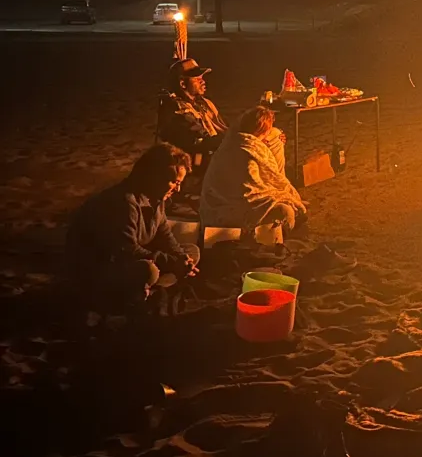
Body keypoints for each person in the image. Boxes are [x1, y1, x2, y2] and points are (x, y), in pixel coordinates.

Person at [66, 143, 200, 311]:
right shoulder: (125, 201)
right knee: (149, 270)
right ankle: (143, 289)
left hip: (134, 256)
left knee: (191, 252)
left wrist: (181, 258)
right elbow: (126, 249)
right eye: (174, 182)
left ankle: (148, 287)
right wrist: (170, 262)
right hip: (99, 266)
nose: (178, 189)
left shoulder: (156, 198)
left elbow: (164, 235)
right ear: (155, 176)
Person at [200, 106, 305, 242]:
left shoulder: (232, 141)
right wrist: (285, 198)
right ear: (264, 130)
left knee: (277, 137)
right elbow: (252, 193)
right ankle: (259, 239)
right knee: (286, 213)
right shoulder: (249, 150)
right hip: (228, 211)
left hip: (220, 206)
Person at [157, 58, 229, 164]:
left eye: (202, 77)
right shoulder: (175, 110)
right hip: (194, 165)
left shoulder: (203, 103)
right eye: (197, 79)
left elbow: (223, 126)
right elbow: (199, 140)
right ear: (182, 84)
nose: (203, 81)